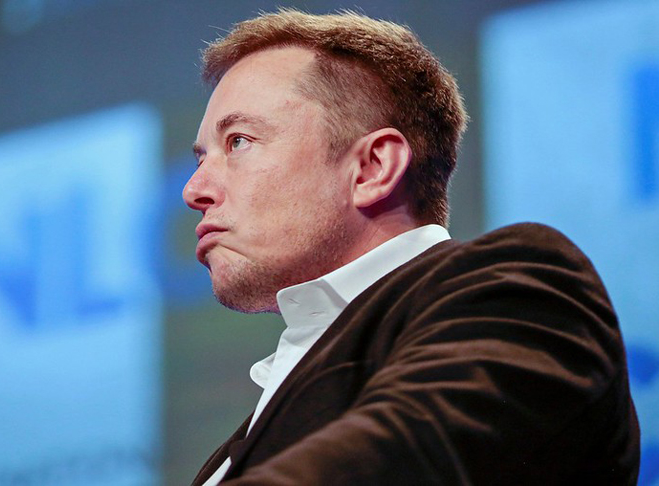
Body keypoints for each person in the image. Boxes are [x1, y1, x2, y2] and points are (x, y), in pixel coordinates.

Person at [182, 9, 640, 485]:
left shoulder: (517, 292)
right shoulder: (256, 421)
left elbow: (401, 457)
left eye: (238, 142)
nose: (193, 191)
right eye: (201, 159)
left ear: (372, 168)